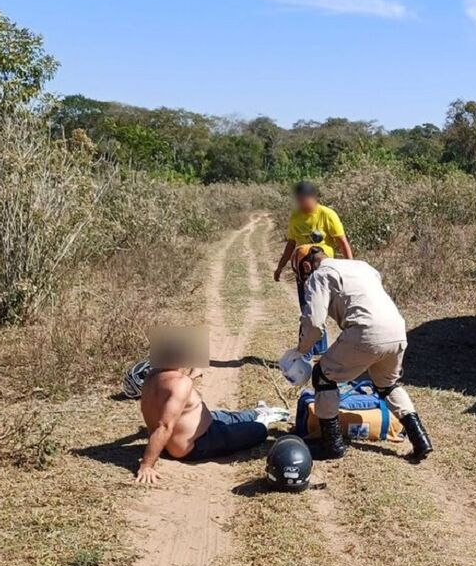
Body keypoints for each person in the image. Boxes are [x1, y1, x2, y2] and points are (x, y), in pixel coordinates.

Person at [284, 244, 433, 462]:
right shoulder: (363, 266)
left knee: (322, 376)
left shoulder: (320, 275)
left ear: (306, 265)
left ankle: (332, 445)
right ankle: (421, 440)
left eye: (302, 275)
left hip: (366, 332)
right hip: (398, 331)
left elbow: (315, 324)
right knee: (387, 385)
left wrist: (301, 350)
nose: (304, 280)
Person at [135, 332, 287, 484]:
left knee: (223, 416)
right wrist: (146, 465)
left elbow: (170, 393)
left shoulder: (152, 376)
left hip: (202, 425)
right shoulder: (180, 384)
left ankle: (256, 412)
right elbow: (164, 426)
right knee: (259, 430)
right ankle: (263, 419)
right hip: (198, 443)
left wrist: (192, 375)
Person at [273, 181, 353, 356]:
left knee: (322, 310)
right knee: (307, 309)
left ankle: (321, 350)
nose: (303, 203)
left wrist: (351, 268)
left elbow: (342, 243)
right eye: (299, 200)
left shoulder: (327, 215)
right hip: (303, 273)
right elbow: (291, 244)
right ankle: (313, 351)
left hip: (324, 273)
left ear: (314, 198)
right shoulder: (295, 217)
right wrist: (280, 267)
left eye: (305, 199)